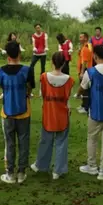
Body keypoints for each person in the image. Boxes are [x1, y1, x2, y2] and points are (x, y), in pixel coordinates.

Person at [77, 45, 103, 180]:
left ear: (95, 56)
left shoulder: (91, 72)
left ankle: (92, 166)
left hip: (96, 111)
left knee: (92, 139)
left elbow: (82, 87)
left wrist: (77, 94)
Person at [30, 52, 74, 180]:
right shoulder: (69, 80)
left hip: (49, 113)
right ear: (64, 63)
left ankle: (41, 165)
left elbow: (42, 94)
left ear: (52, 62)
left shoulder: (44, 77)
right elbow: (67, 97)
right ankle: (58, 170)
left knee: (45, 140)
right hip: (62, 114)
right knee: (61, 142)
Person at [0, 41, 34, 184]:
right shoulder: (27, 70)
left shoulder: (0, 72)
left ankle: (10, 173)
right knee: (23, 142)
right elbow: (30, 88)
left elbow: (2, 87)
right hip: (24, 111)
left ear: (7, 54)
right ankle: (21, 172)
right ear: (19, 53)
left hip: (7, 112)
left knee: (10, 143)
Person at [76, 33, 93, 114]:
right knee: (83, 89)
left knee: (85, 89)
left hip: (85, 70)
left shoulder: (86, 47)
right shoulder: (83, 47)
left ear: (85, 38)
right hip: (82, 69)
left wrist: (82, 72)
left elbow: (85, 61)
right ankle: (83, 105)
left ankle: (86, 107)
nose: (79, 38)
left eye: (81, 37)